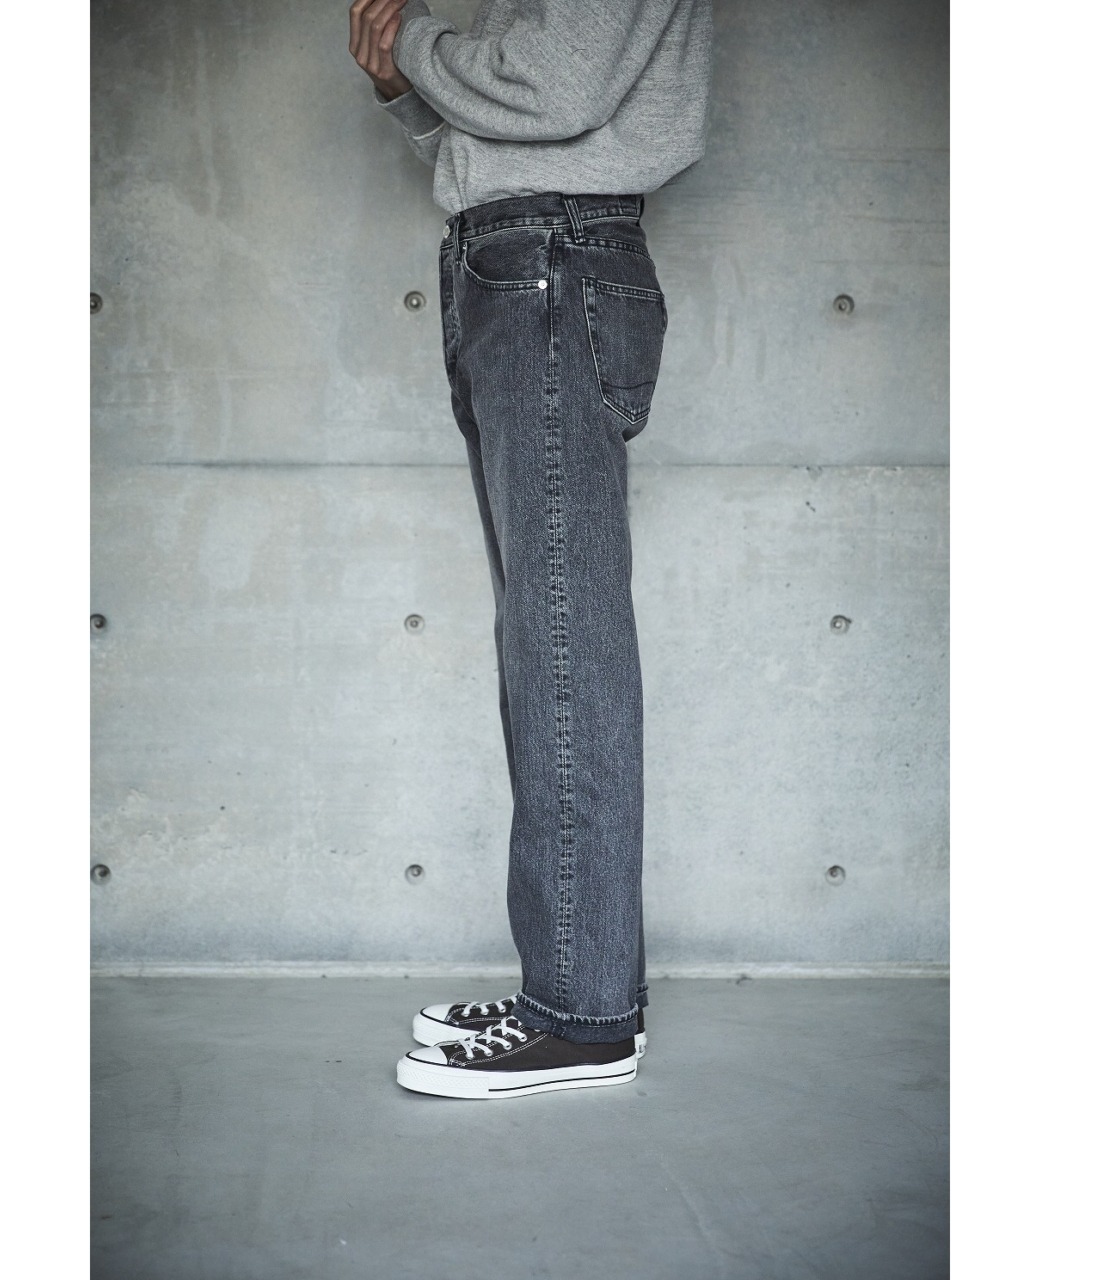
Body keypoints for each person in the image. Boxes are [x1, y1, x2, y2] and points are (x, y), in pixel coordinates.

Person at [348, 0, 713, 1098]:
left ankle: (581, 1017)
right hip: (516, 256)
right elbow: (502, 126)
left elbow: (559, 87)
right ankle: (578, 987)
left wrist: (416, 42)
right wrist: (405, 87)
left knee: (562, 650)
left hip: (553, 257)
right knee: (546, 645)